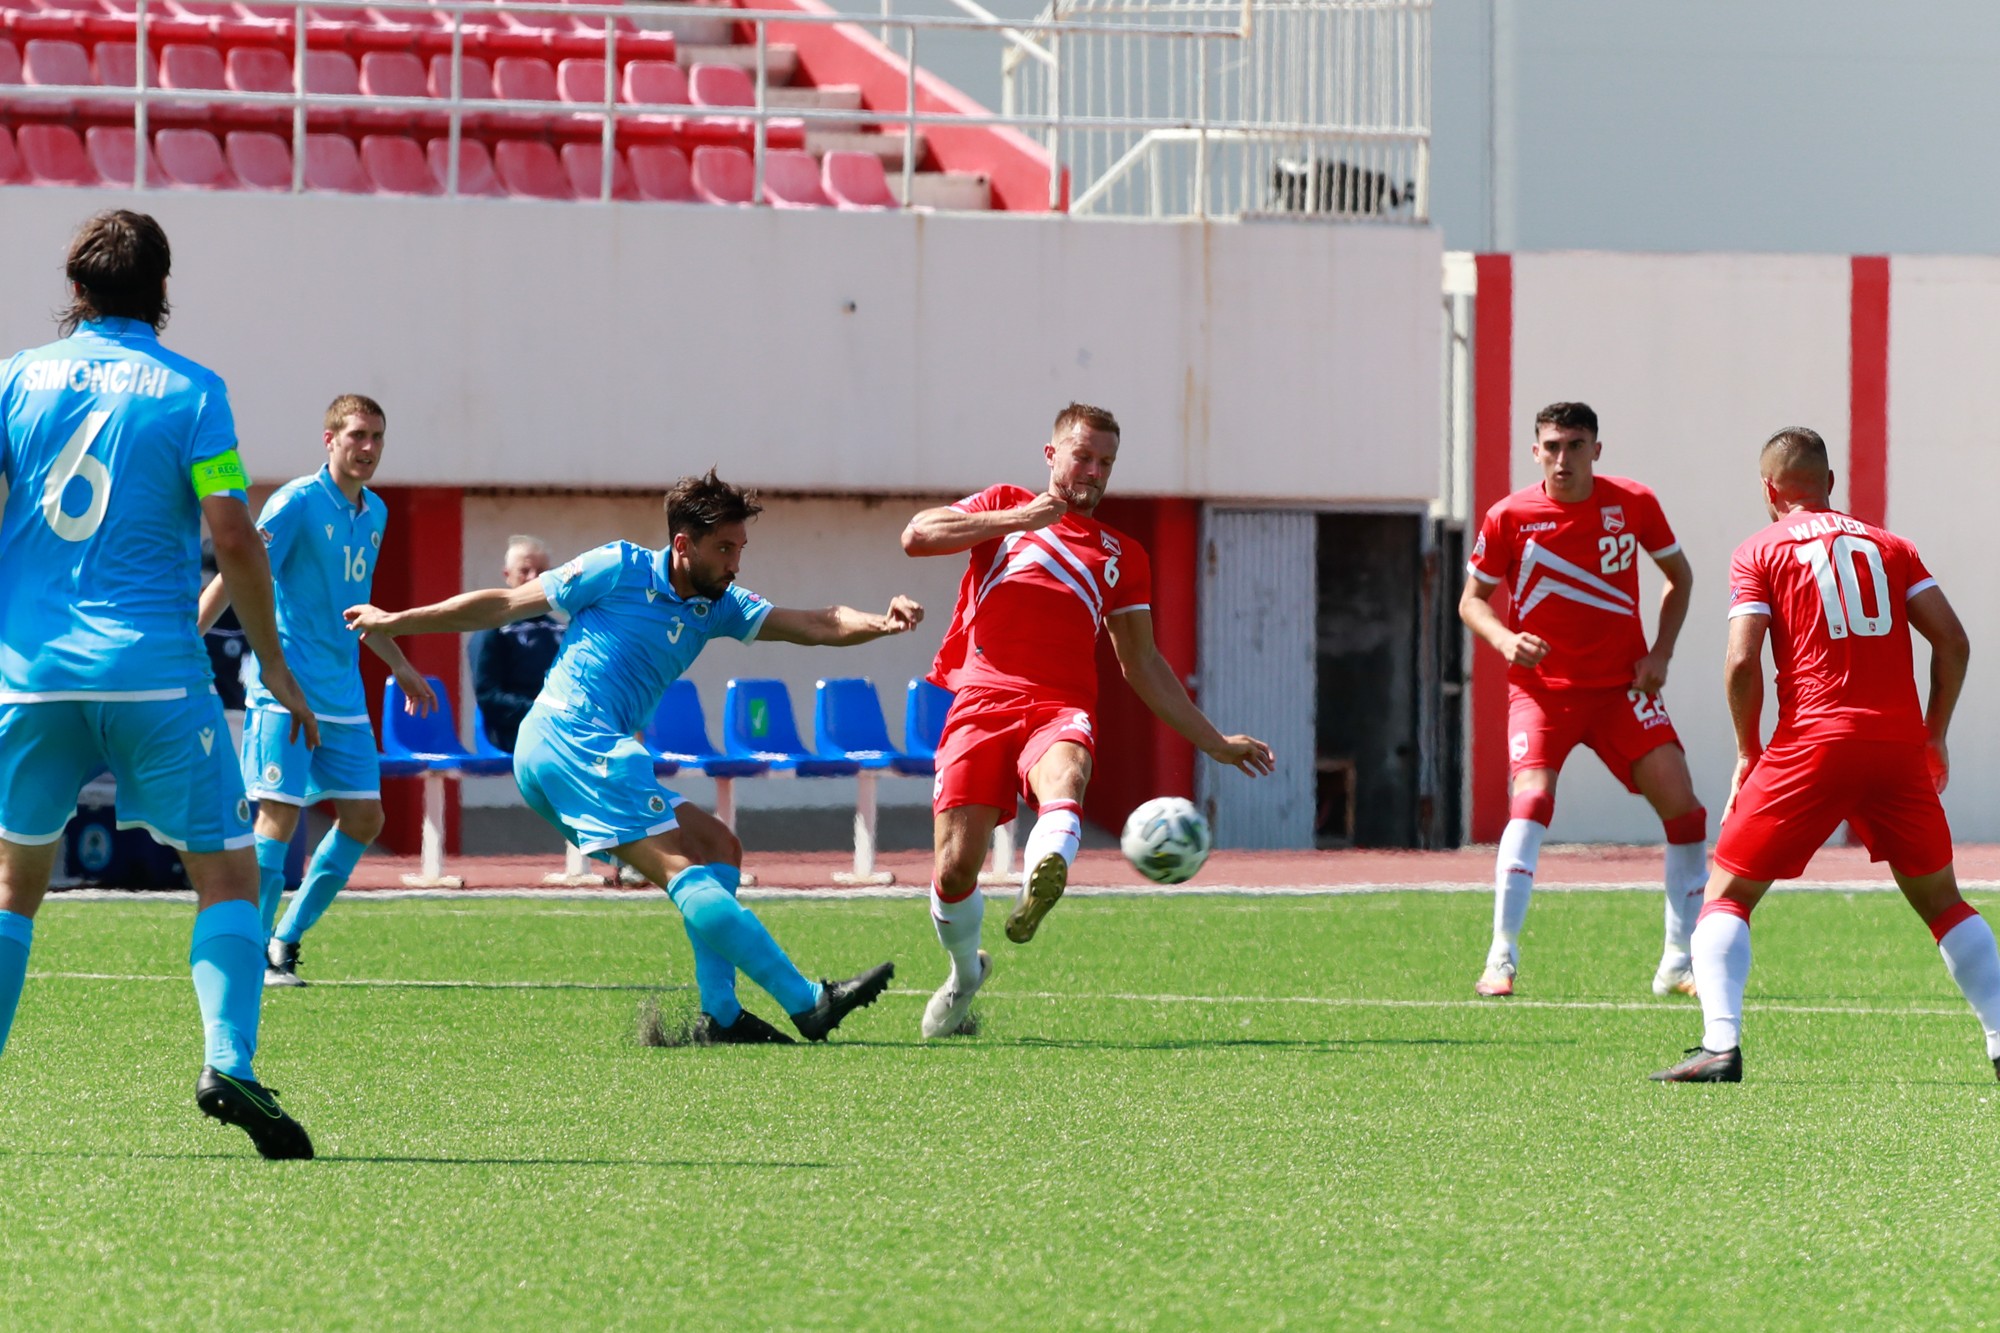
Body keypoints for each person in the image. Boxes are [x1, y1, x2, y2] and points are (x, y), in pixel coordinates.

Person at [345, 469, 918, 1044]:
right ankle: (807, 1002)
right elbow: (504, 605)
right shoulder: (619, 566)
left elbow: (817, 622)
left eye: (740, 549)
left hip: (576, 749)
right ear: (682, 545)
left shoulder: (720, 605)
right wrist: (396, 620)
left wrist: (881, 623)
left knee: (718, 848)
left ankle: (720, 1014)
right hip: (571, 737)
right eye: (723, 549)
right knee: (681, 870)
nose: (735, 563)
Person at [0, 210, 315, 1157]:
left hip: (31, 674)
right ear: (163, 292)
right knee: (223, 870)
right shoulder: (194, 393)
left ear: (78, 289)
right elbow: (232, 535)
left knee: (13, 887)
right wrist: (275, 663)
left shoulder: (14, 378)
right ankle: (231, 1062)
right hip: (153, 672)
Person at [901, 403, 1275, 1040]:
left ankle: (1040, 881)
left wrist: (1213, 743)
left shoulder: (1121, 553)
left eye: (1106, 462)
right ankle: (965, 973)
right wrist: (1023, 517)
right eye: (1084, 456)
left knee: (1066, 774)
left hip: (1060, 704)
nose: (1095, 471)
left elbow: (1143, 663)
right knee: (954, 870)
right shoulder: (1003, 506)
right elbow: (917, 535)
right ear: (1052, 455)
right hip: (982, 700)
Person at [1653, 428, 2000, 1083]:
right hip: (1896, 746)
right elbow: (1953, 641)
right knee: (1944, 901)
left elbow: (1739, 660)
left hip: (1812, 741)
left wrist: (1748, 751)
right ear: (1830, 483)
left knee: (1726, 893)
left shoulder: (1759, 549)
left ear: (1768, 490)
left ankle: (1719, 1046)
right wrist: (1934, 733)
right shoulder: (1892, 546)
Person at [1461, 401, 1706, 999]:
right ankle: (1501, 957)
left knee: (1686, 810)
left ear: (1597, 449)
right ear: (1535, 451)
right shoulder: (1510, 515)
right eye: (1551, 445)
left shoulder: (1634, 504)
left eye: (1574, 445)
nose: (1562, 457)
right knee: (1534, 800)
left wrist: (1661, 654)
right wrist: (1502, 638)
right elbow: (1472, 601)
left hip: (1622, 690)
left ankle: (1678, 961)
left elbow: (1681, 578)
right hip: (1544, 693)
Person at [197, 394, 437, 986]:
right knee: (279, 819)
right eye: (357, 435)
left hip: (344, 695)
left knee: (364, 818)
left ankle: (284, 940)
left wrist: (400, 665)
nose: (369, 448)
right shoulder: (297, 503)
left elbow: (352, 611)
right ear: (328, 439)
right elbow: (240, 568)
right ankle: (246, 954)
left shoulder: (374, 513)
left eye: (378, 437)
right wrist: (187, 637)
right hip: (284, 690)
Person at [471, 535, 562, 754]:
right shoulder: (494, 630)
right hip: (514, 732)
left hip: (561, 730)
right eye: (525, 571)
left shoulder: (564, 631)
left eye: (541, 573)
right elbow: (488, 697)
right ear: (507, 575)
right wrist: (541, 712)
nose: (533, 578)